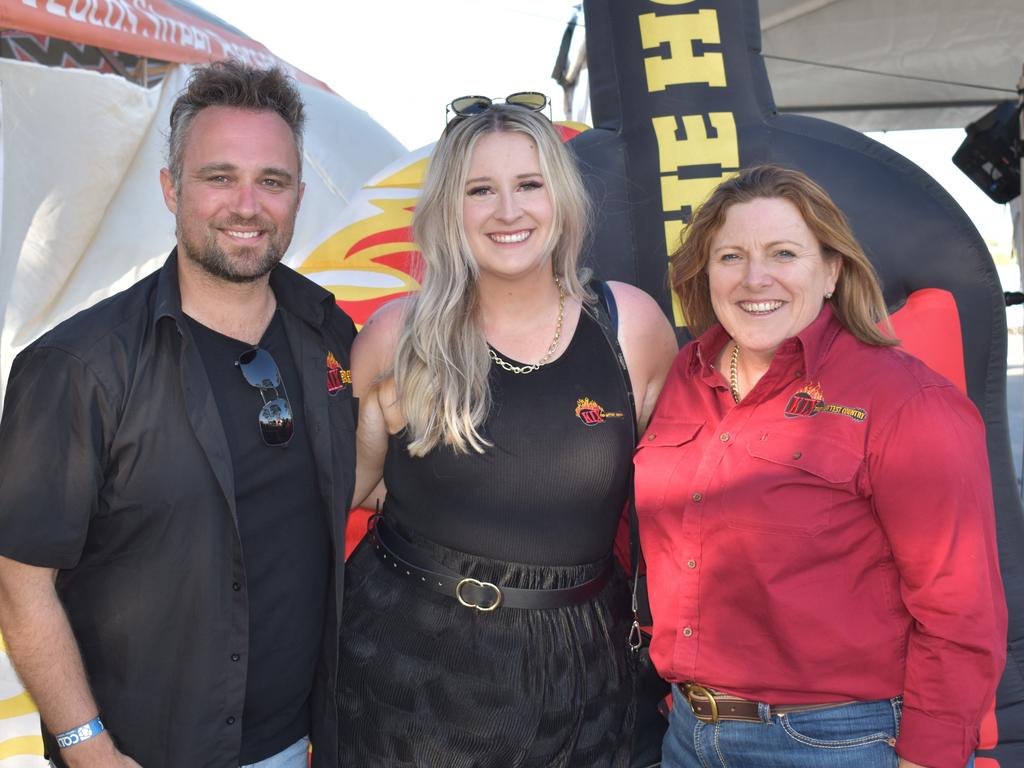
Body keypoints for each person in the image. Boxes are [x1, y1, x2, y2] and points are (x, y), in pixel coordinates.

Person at [0, 61, 357, 768]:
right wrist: (85, 746)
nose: (247, 205)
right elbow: (20, 580)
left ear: (299, 196)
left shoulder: (329, 333)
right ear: (171, 189)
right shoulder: (78, 368)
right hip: (142, 752)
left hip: (299, 744)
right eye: (219, 177)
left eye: (272, 181)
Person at [634, 164, 1007, 768]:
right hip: (687, 735)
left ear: (832, 271)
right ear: (706, 274)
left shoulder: (907, 401)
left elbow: (960, 610)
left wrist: (930, 757)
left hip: (842, 743)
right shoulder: (686, 377)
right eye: (731, 256)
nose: (756, 278)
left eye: (784, 253)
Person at [341, 96, 677, 766]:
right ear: (447, 209)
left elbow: (678, 495)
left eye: (529, 185)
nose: (508, 211)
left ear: (563, 197)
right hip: (411, 667)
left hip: (583, 672)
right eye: (480, 190)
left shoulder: (628, 327)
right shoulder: (397, 336)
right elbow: (356, 487)